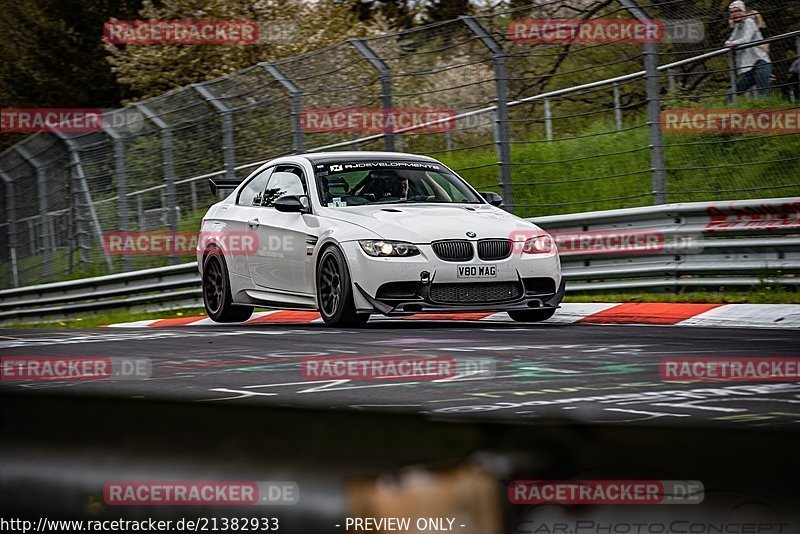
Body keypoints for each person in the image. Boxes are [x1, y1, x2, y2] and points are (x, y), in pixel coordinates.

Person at [725, 1, 772, 98]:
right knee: (731, 94)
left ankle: (765, 111)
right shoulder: (738, 26)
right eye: (732, 12)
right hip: (748, 66)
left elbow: (746, 39)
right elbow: (730, 40)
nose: (735, 13)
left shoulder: (749, 22)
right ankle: (734, 111)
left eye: (737, 10)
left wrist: (732, 44)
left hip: (760, 63)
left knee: (763, 95)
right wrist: (730, 43)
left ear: (743, 11)